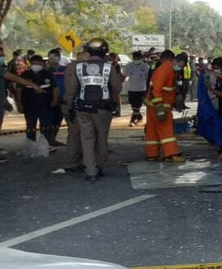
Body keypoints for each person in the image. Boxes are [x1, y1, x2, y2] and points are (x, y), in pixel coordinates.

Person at [62, 39, 123, 181]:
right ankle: (100, 166)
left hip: (83, 108)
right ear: (104, 52)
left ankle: (90, 171)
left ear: (88, 51)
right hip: (103, 109)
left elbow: (71, 90)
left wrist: (69, 106)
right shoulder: (109, 67)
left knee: (87, 138)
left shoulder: (78, 67)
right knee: (101, 138)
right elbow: (118, 88)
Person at [145, 49, 184, 162]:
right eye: (179, 65)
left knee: (152, 129)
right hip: (159, 104)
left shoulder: (171, 70)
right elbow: (155, 89)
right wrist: (159, 106)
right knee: (166, 128)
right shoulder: (165, 69)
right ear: (173, 60)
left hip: (153, 104)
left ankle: (152, 154)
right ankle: (171, 153)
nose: (179, 68)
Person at [20, 54, 57, 144]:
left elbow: (55, 88)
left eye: (38, 63)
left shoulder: (48, 74)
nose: (36, 65)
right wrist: (19, 103)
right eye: (34, 63)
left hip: (46, 104)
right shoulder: (25, 74)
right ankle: (31, 145)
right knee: (30, 126)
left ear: (42, 64)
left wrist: (55, 100)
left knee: (46, 126)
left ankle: (46, 145)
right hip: (30, 104)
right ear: (30, 64)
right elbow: (19, 89)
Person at [46, 48, 67, 145]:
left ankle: (53, 139)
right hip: (48, 99)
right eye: (51, 57)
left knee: (58, 120)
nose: (53, 59)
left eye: (55, 57)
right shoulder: (45, 70)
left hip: (62, 98)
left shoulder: (64, 69)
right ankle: (47, 140)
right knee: (48, 120)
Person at [125, 51, 150, 125]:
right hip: (131, 88)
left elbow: (148, 78)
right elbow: (124, 75)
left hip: (141, 89)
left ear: (141, 58)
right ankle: (139, 117)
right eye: (135, 58)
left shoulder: (145, 67)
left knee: (137, 105)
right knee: (133, 105)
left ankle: (132, 120)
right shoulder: (129, 66)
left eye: (138, 58)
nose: (136, 60)